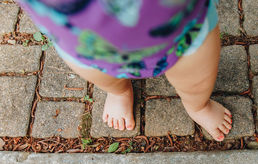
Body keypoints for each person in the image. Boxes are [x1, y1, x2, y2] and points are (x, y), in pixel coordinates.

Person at [17, 0, 232, 141]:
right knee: (99, 73)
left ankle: (198, 105)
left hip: (180, 20)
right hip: (80, 36)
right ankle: (118, 91)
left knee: (196, 79)